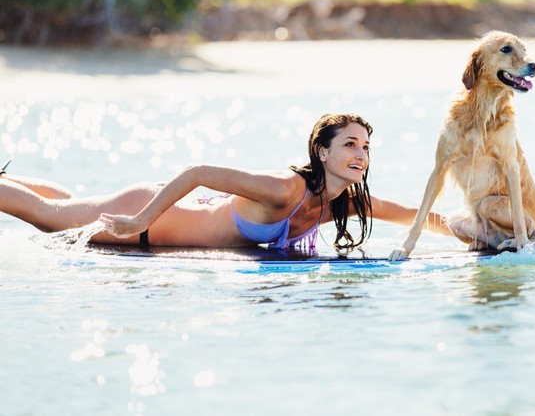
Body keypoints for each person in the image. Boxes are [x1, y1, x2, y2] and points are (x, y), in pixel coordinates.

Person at [0, 113, 450, 250]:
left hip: (165, 220)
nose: (360, 155)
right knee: (45, 216)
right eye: (350, 145)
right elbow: (198, 172)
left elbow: (414, 217)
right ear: (322, 152)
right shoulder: (284, 188)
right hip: (151, 223)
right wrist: (138, 219)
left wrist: (497, 235)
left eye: (366, 148)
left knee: (68, 203)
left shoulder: (342, 202)